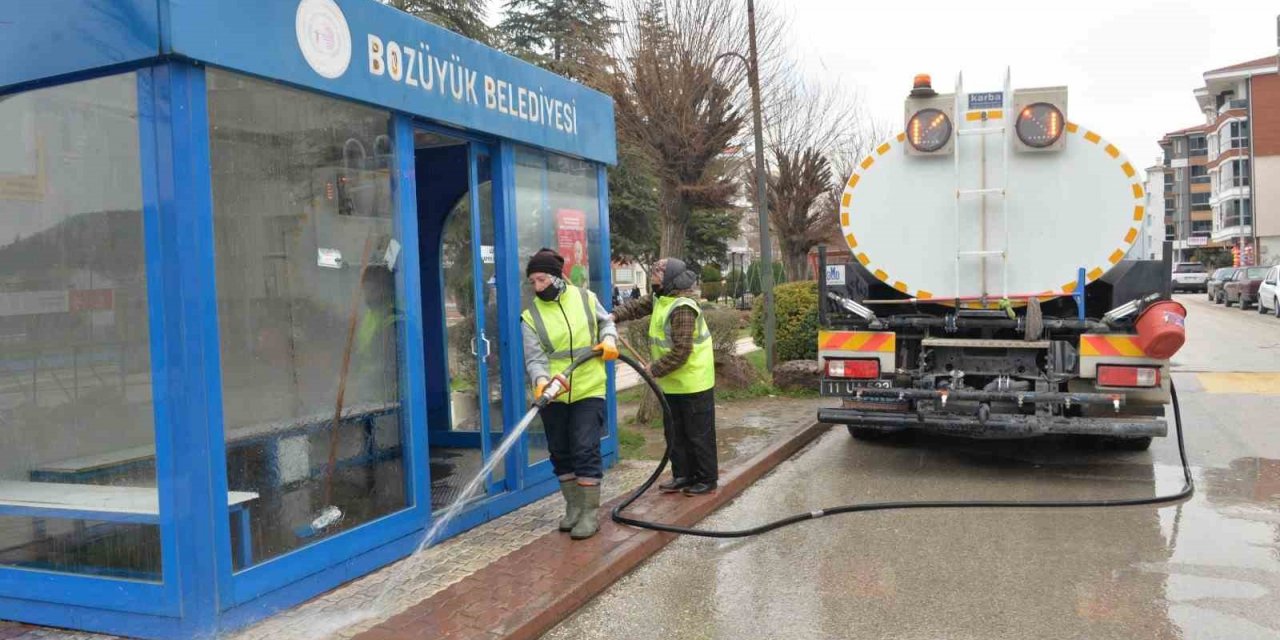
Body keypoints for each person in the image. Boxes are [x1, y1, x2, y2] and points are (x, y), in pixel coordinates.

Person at [521, 248, 618, 540]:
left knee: (584, 447)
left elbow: (606, 321)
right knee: (560, 450)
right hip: (555, 393)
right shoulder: (531, 316)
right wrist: (541, 381)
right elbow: (535, 358)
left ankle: (590, 514)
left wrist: (609, 339)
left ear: (557, 277)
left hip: (589, 387)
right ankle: (574, 507)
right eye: (533, 282)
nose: (537, 287)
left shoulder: (585, 298)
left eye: (541, 280)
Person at [612, 258, 717, 495]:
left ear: (670, 277)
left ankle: (707, 478)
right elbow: (636, 306)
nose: (653, 273)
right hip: (672, 384)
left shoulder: (682, 308)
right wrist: (613, 316)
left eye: (658, 271)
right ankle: (682, 475)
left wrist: (654, 369)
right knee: (675, 434)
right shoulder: (661, 298)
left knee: (698, 435)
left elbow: (681, 351)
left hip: (693, 382)